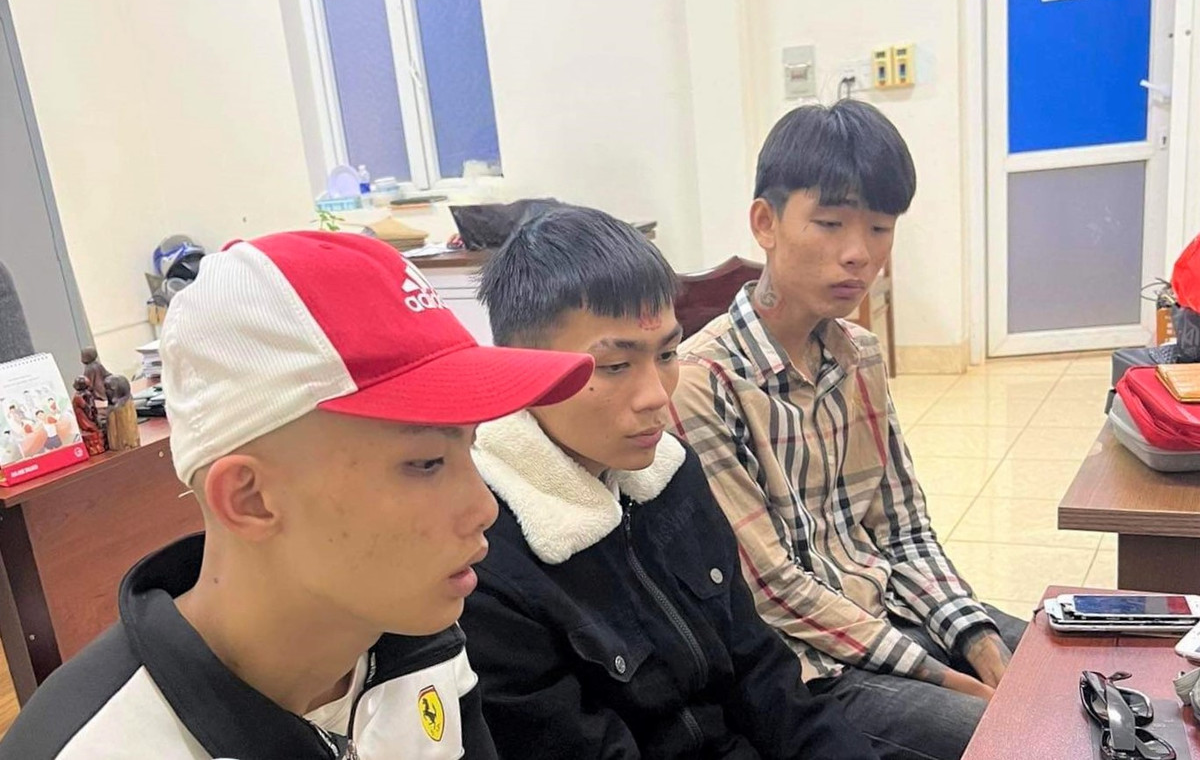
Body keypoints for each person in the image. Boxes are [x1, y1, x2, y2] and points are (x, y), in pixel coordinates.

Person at [0, 231, 593, 759]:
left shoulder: (419, 643)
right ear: (250, 498)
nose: (484, 508)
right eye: (426, 462)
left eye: (471, 446)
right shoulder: (100, 745)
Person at [671, 101, 1027, 760]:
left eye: (880, 228)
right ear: (765, 223)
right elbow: (773, 590)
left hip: (892, 612)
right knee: (1014, 738)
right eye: (830, 224)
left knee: (1058, 668)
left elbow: (904, 529)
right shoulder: (703, 381)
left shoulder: (860, 354)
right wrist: (948, 677)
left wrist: (974, 637)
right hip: (809, 666)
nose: (859, 255)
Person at [460, 203, 878, 759]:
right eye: (614, 366)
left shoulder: (669, 473)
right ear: (520, 368)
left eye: (667, 354)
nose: (657, 395)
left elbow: (761, 670)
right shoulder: (484, 558)